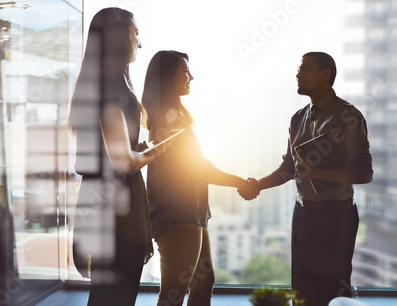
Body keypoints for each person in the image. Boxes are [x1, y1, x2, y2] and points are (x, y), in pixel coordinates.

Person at [241, 52, 373, 306]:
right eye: (299, 70)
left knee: (335, 290)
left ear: (326, 75)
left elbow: (363, 172)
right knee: (302, 291)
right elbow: (289, 169)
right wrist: (257, 185)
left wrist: (318, 173)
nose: (298, 75)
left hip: (338, 217)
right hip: (303, 214)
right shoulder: (297, 118)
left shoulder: (348, 116)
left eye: (306, 69)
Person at [142, 50, 259, 306]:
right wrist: (240, 182)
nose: (191, 77)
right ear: (167, 78)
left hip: (192, 213)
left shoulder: (175, 116)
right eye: (184, 71)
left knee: (203, 283)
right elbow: (198, 168)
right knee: (173, 294)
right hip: (177, 215)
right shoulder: (167, 119)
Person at [68, 8, 168, 306]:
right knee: (117, 295)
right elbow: (123, 161)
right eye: (135, 34)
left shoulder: (106, 82)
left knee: (109, 293)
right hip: (116, 206)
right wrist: (154, 152)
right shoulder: (111, 87)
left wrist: (137, 150)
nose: (139, 43)